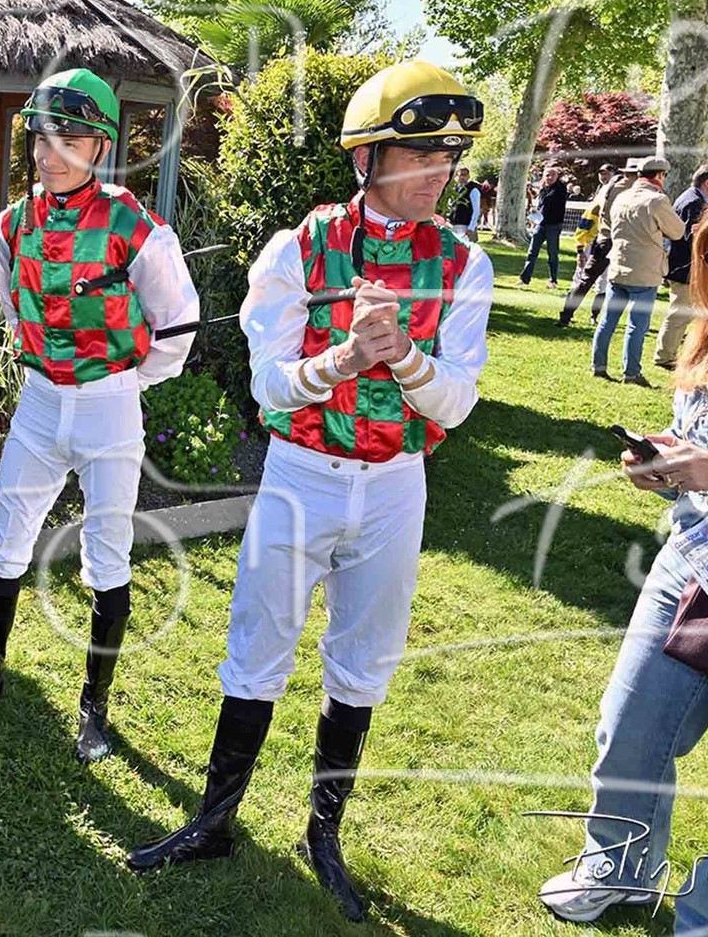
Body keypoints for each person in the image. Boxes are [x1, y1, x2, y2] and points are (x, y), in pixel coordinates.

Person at [125, 60, 495, 921]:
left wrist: (405, 359)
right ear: (366, 158)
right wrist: (344, 359)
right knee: (258, 644)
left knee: (364, 661)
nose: (439, 173)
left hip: (396, 485)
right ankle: (214, 821)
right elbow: (270, 386)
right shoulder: (299, 248)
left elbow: (455, 402)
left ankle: (323, 834)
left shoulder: (464, 264)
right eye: (420, 155)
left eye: (448, 157)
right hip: (302, 476)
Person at [539, 162, 708, 934]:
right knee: (629, 729)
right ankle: (619, 869)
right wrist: (666, 465)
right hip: (691, 560)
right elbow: (698, 447)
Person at [0, 69, 200, 763]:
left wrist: (123, 383)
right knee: (6, 534)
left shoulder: (135, 226)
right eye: (42, 139)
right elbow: (14, 304)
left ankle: (94, 708)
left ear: (101, 146)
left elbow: (177, 324)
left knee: (107, 551)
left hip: (110, 407)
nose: (51, 155)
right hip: (38, 402)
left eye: (70, 141)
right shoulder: (13, 222)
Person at [594, 155, 684, 387]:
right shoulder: (657, 200)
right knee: (637, 326)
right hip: (644, 271)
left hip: (618, 265)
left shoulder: (622, 196)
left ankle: (598, 366)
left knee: (607, 321)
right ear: (660, 175)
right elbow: (677, 232)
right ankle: (632, 373)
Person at [653, 162, 708, 371]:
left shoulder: (691, 198)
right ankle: (664, 356)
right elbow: (688, 237)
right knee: (680, 314)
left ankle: (675, 352)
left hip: (685, 266)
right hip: (685, 267)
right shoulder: (694, 202)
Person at [559, 158, 640, 327]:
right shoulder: (633, 191)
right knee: (618, 284)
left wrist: (581, 242)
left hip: (603, 240)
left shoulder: (608, 188)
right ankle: (599, 318)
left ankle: (566, 316)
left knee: (586, 280)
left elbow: (593, 212)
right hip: (619, 241)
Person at [519, 162, 569, 288]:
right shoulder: (544, 189)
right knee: (532, 252)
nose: (549, 177)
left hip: (554, 225)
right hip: (540, 224)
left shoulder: (560, 188)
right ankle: (525, 279)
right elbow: (542, 205)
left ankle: (553, 280)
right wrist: (535, 212)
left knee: (552, 254)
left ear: (557, 176)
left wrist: (541, 188)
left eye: (552, 175)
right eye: (547, 175)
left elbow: (549, 200)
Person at [447, 163, 481, 237]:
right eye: (460, 175)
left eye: (464, 175)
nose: (462, 177)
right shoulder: (454, 189)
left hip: (466, 225)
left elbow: (476, 210)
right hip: (453, 224)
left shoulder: (473, 190)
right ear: (457, 176)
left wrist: (471, 227)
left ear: (468, 176)